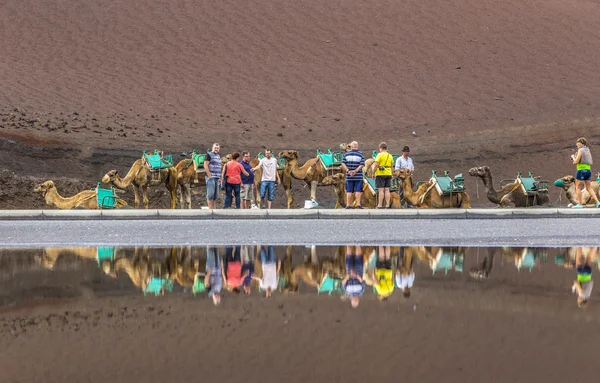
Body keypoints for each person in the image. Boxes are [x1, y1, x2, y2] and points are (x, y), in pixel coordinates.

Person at [570, 137, 600, 208]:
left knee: (578, 187)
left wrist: (573, 157)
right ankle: (598, 202)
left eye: (578, 144)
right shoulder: (587, 150)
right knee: (588, 188)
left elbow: (576, 161)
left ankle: (580, 205)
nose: (577, 145)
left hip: (581, 170)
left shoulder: (580, 150)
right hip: (588, 170)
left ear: (582, 144)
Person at [341, 141, 365, 209]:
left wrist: (348, 171)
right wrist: (355, 171)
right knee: (358, 191)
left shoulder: (346, 154)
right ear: (357, 146)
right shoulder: (360, 154)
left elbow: (343, 163)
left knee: (349, 191)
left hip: (349, 176)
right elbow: (362, 164)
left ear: (351, 147)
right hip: (358, 176)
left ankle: (348, 205)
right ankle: (358, 204)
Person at [372, 142, 394, 208]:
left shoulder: (379, 155)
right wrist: (391, 174)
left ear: (381, 148)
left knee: (381, 190)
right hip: (388, 173)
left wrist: (373, 173)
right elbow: (392, 166)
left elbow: (376, 165)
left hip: (380, 174)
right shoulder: (390, 156)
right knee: (387, 190)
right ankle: (387, 205)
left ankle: (380, 205)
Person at [203, 143, 222, 209]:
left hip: (217, 177)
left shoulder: (218, 156)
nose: (216, 149)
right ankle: (210, 211)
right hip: (211, 177)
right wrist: (209, 175)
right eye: (215, 148)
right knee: (210, 195)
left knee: (215, 196)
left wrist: (220, 177)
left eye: (217, 148)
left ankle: (214, 210)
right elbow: (205, 165)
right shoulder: (209, 154)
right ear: (212, 148)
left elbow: (219, 167)